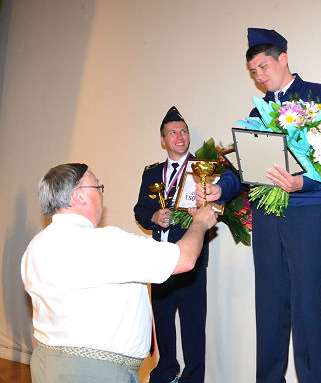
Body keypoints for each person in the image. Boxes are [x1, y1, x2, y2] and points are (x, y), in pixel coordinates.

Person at [198, 28, 321, 383]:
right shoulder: (257, 111)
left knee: (308, 307)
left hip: (308, 211)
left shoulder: (318, 96)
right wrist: (220, 189)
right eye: (253, 71)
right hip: (267, 215)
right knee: (269, 306)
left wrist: (302, 183)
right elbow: (245, 168)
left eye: (263, 66)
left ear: (284, 59)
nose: (259, 75)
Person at [21, 163, 216, 383]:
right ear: (78, 196)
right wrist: (200, 223)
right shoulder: (105, 242)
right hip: (93, 372)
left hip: (44, 364)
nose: (101, 195)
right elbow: (184, 259)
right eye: (97, 187)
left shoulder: (35, 246)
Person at [133, 106, 208, 383]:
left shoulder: (203, 168)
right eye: (172, 132)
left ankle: (193, 379)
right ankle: (164, 375)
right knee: (162, 322)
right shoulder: (152, 173)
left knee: (193, 326)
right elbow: (140, 210)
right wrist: (153, 216)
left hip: (191, 260)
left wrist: (202, 210)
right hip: (160, 260)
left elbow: (216, 208)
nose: (179, 136)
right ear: (163, 140)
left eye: (183, 131)